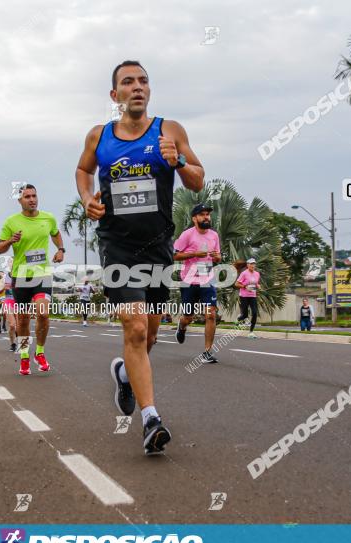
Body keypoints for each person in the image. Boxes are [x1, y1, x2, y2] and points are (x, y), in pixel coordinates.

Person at [75, 59, 205, 455]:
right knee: (133, 327)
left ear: (149, 91)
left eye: (143, 81)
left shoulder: (170, 131)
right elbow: (83, 170)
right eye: (128, 82)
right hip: (117, 245)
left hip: (158, 247)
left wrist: (178, 161)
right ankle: (151, 419)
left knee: (148, 333)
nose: (137, 87)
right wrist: (87, 200)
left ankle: (126, 376)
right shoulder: (99, 136)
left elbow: (199, 179)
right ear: (114, 96)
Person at [0, 184, 65, 375]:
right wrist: (10, 241)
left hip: (42, 274)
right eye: (27, 196)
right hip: (20, 276)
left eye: (34, 195)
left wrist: (60, 250)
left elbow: (56, 233)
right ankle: (25, 355)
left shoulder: (48, 218)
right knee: (24, 319)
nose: (32, 199)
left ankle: (40, 352)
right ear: (20, 200)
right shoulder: (11, 222)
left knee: (43, 313)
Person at [174, 203, 221, 364]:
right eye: (202, 214)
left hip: (207, 280)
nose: (206, 217)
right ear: (194, 218)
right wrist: (194, 253)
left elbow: (218, 258)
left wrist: (216, 257)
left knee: (211, 314)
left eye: (208, 214)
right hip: (189, 281)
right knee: (188, 317)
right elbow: (174, 255)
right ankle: (182, 326)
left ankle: (207, 351)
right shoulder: (187, 235)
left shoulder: (214, 235)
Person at [235, 258, 260, 338]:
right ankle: (239, 319)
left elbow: (256, 284)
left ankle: (251, 332)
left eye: (254, 264)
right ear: (247, 265)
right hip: (244, 296)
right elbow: (236, 284)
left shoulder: (257, 274)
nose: (253, 265)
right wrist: (245, 287)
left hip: (253, 296)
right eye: (251, 264)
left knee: (255, 313)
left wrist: (258, 286)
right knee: (245, 315)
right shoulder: (244, 273)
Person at [1, 273, 18, 351]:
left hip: (19, 302)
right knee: (12, 325)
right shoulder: (5, 276)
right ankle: (13, 344)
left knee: (19, 326)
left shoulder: (22, 274)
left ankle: (21, 343)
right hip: (8, 301)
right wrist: (3, 287)